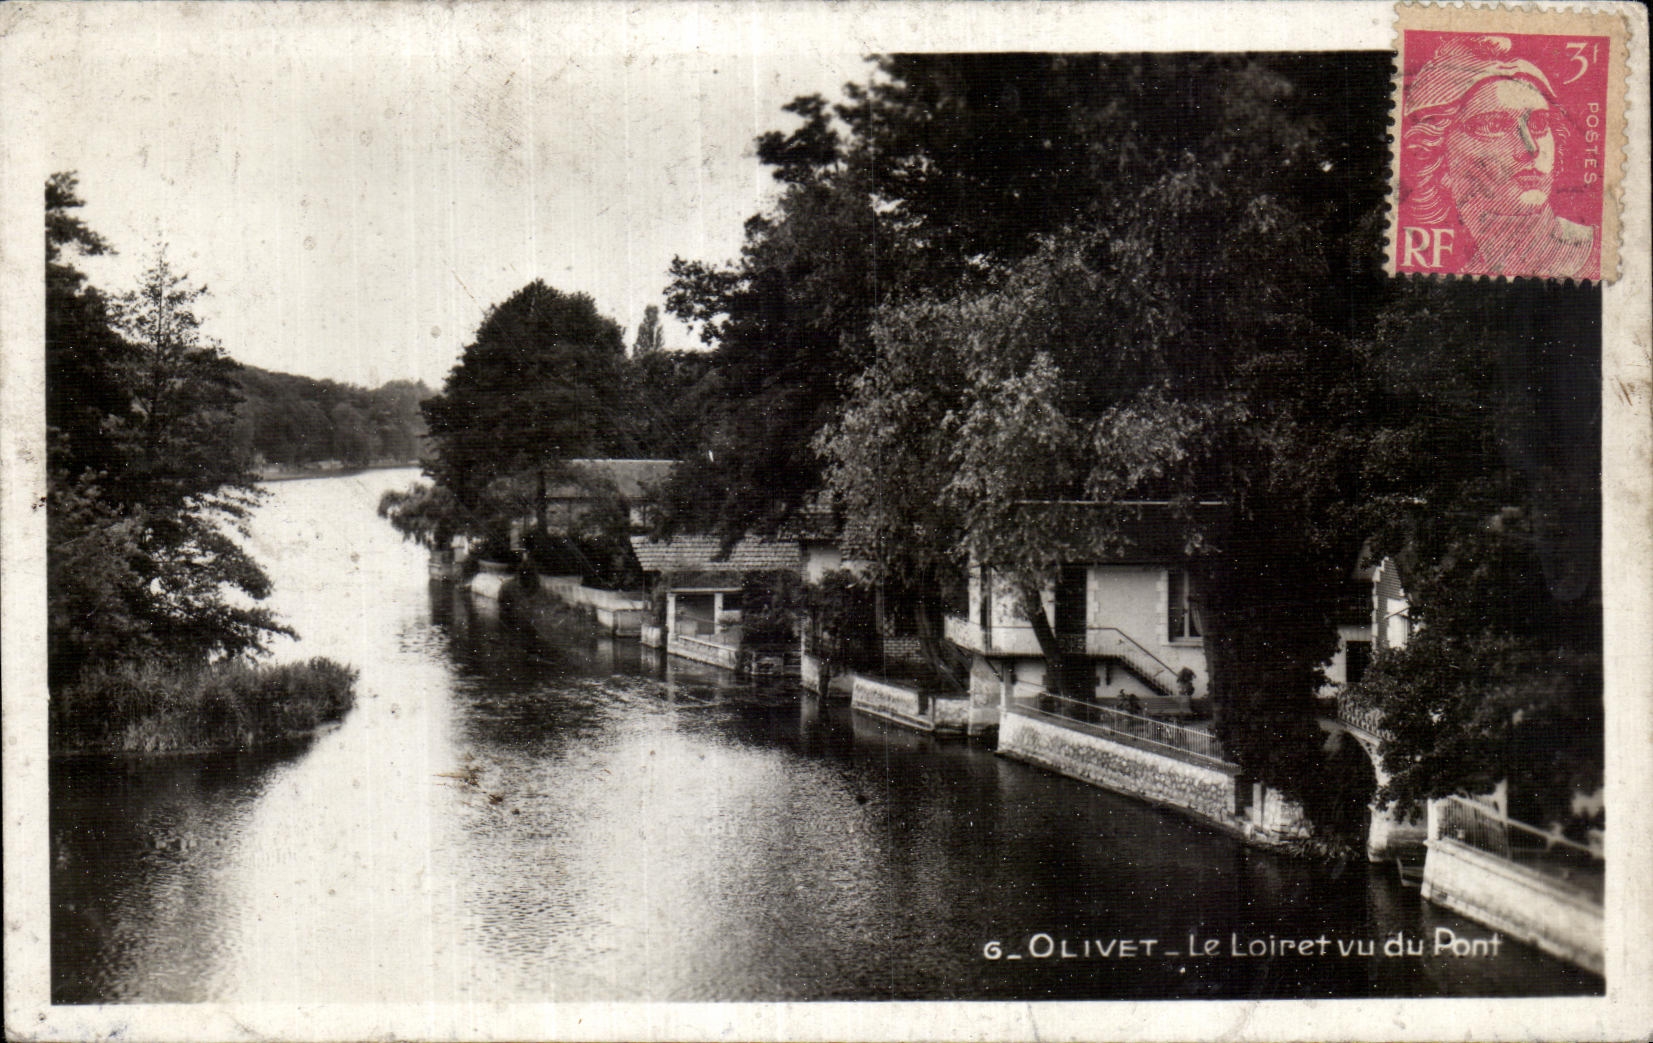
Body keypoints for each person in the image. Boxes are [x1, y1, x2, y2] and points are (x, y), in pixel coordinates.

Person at [1404, 34, 1597, 279]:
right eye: (1492, 126)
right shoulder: (1462, 274)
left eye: (1539, 123)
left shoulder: (1599, 252)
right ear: (1436, 157)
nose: (1530, 148)